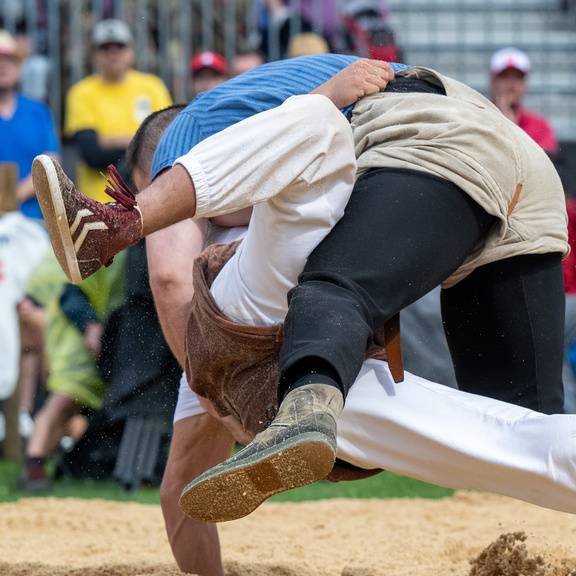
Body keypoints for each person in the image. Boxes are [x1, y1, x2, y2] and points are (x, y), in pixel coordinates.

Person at [32, 54, 567, 519]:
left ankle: (116, 224)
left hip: (425, 136)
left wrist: (220, 403)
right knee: (521, 429)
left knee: (333, 288)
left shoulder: (186, 132)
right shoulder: (286, 153)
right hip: (521, 172)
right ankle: (313, 412)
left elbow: (171, 278)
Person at [125, 102, 574, 572]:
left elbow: (170, 280)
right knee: (505, 434)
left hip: (238, 325)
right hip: (314, 313)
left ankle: (302, 416)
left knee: (497, 440)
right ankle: (312, 411)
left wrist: (214, 389)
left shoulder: (172, 171)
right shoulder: (260, 154)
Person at [65, 19, 171, 203]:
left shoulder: (153, 86)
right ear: (94, 54)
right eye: (105, 47)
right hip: (99, 202)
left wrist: (111, 140)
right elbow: (92, 155)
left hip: (152, 198)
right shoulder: (81, 92)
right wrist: (141, 142)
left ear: (131, 51)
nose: (113, 53)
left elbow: (166, 144)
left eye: (119, 46)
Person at [0, 30, 59, 219]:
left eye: (10, 60)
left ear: (19, 68)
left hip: (35, 222)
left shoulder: (38, 111)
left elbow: (51, 162)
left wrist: (13, 197)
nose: (3, 65)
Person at [490, 47, 558, 158]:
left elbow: (546, 167)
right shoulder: (478, 119)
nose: (511, 85)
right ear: (492, 80)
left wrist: (511, 128)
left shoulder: (540, 127)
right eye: (505, 77)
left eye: (517, 77)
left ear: (525, 83)